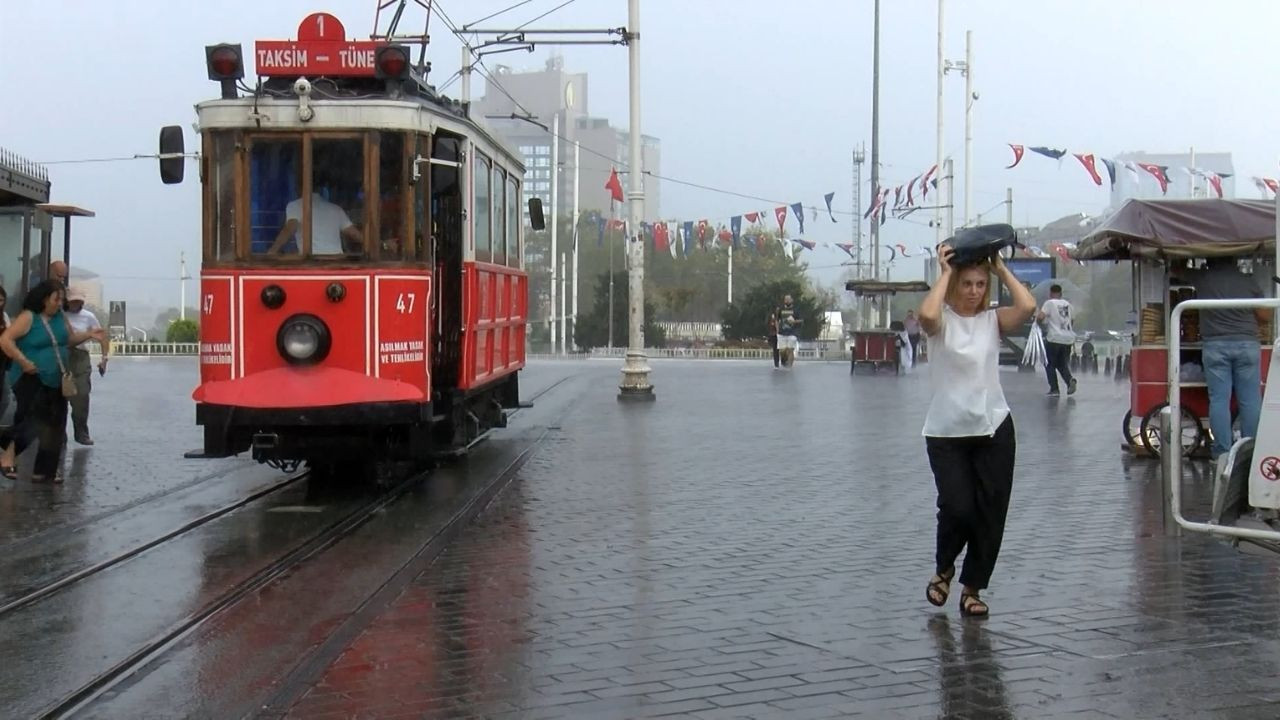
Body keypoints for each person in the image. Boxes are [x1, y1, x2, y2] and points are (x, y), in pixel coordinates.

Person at [918, 245, 1037, 617]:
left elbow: (1028, 307)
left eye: (979, 284)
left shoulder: (992, 321)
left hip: (993, 427)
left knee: (990, 511)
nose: (973, 290)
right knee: (957, 506)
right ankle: (944, 568)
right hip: (947, 430)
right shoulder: (941, 322)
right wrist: (946, 273)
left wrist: (1001, 269)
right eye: (967, 283)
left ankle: (972, 588)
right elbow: (926, 313)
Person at [0, 281, 105, 482]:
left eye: (61, 299)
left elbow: (70, 340)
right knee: (34, 421)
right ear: (44, 299)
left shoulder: (60, 318)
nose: (59, 303)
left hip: (57, 376)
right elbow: (5, 340)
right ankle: (8, 454)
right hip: (31, 376)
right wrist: (23, 361)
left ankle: (44, 470)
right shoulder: (28, 317)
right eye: (56, 299)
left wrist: (90, 335)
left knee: (56, 422)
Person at [1186, 257, 1267, 460]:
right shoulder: (1248, 281)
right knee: (1250, 400)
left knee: (1219, 400)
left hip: (1215, 345)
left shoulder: (1203, 278)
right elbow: (1265, 315)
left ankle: (1222, 452)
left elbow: (1177, 271)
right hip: (1247, 344)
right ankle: (1251, 452)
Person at [64, 287, 108, 445]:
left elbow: (102, 336)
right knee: (60, 397)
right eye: (72, 301)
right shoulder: (60, 316)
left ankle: (81, 432)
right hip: (63, 356)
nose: (75, 304)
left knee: (81, 395)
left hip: (80, 357)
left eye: (78, 301)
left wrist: (104, 358)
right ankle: (59, 434)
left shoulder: (88, 317)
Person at [268, 192, 363, 255]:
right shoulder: (335, 209)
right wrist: (374, 248)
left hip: (312, 263)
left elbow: (289, 229)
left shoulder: (296, 205)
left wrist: (272, 252)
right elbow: (355, 234)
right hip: (336, 261)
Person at [1037, 284, 1077, 397]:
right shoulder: (1069, 305)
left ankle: (1054, 389)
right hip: (1067, 339)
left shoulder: (1049, 303)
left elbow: (1040, 317)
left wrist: (1040, 325)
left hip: (1054, 338)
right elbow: (1072, 321)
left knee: (1049, 364)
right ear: (1061, 293)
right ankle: (1070, 381)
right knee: (1062, 364)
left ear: (1050, 293)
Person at [773, 295, 803, 368]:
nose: (787, 301)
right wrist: (777, 330)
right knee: (782, 351)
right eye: (785, 299)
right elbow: (776, 320)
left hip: (792, 333)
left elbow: (801, 320)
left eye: (788, 299)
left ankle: (789, 367)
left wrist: (794, 321)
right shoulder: (780, 309)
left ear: (792, 300)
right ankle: (784, 360)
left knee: (790, 350)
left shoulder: (796, 309)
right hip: (782, 332)